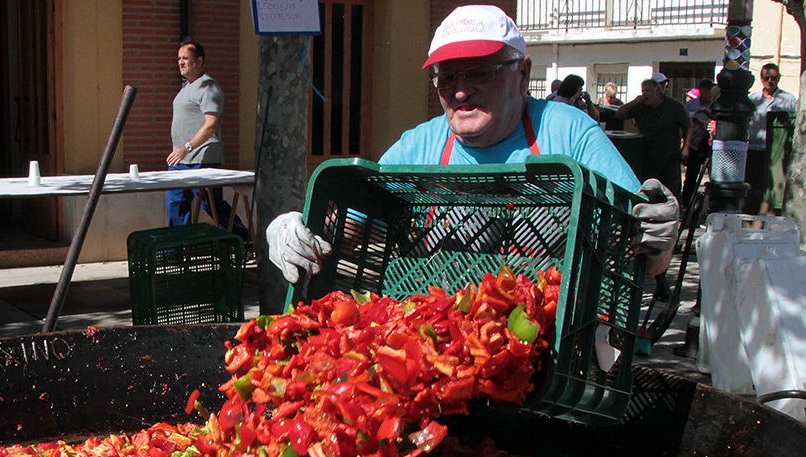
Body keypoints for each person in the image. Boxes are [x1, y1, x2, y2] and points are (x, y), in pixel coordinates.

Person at [267, 5, 678, 289]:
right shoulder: (418, 147)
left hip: (554, 347)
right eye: (448, 78)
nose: (461, 92)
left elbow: (640, 246)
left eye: (481, 73)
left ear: (523, 74)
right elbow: (347, 227)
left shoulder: (570, 133)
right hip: (441, 349)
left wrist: (659, 241)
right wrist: (296, 228)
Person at [165, 40, 247, 238]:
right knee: (175, 205)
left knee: (211, 205)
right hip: (179, 161)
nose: (180, 63)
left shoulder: (208, 87)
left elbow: (211, 124)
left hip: (202, 159)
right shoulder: (186, 88)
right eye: (179, 59)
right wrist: (181, 152)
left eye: (185, 58)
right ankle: (176, 248)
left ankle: (243, 239)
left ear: (199, 61)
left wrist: (187, 148)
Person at [616, 78, 689, 197]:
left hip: (669, 153)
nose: (645, 94)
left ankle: (675, 212)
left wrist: (686, 147)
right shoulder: (640, 106)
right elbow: (619, 114)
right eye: (643, 91)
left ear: (658, 90)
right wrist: (634, 102)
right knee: (650, 187)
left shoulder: (673, 106)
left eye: (648, 91)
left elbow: (687, 125)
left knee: (672, 188)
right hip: (648, 154)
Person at [744, 63, 798, 215]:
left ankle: (774, 214)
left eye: (773, 78)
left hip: (779, 151)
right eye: (766, 78)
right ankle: (752, 213)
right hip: (755, 149)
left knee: (775, 185)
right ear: (761, 79)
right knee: (754, 185)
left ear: (779, 78)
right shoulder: (753, 100)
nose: (770, 81)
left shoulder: (789, 100)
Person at [682, 77, 716, 209]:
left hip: (711, 146)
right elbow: (685, 125)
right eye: (708, 89)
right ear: (701, 90)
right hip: (694, 144)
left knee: (714, 178)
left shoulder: (715, 105)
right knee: (691, 176)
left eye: (711, 90)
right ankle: (686, 204)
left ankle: (711, 206)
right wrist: (685, 146)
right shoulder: (691, 105)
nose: (710, 92)